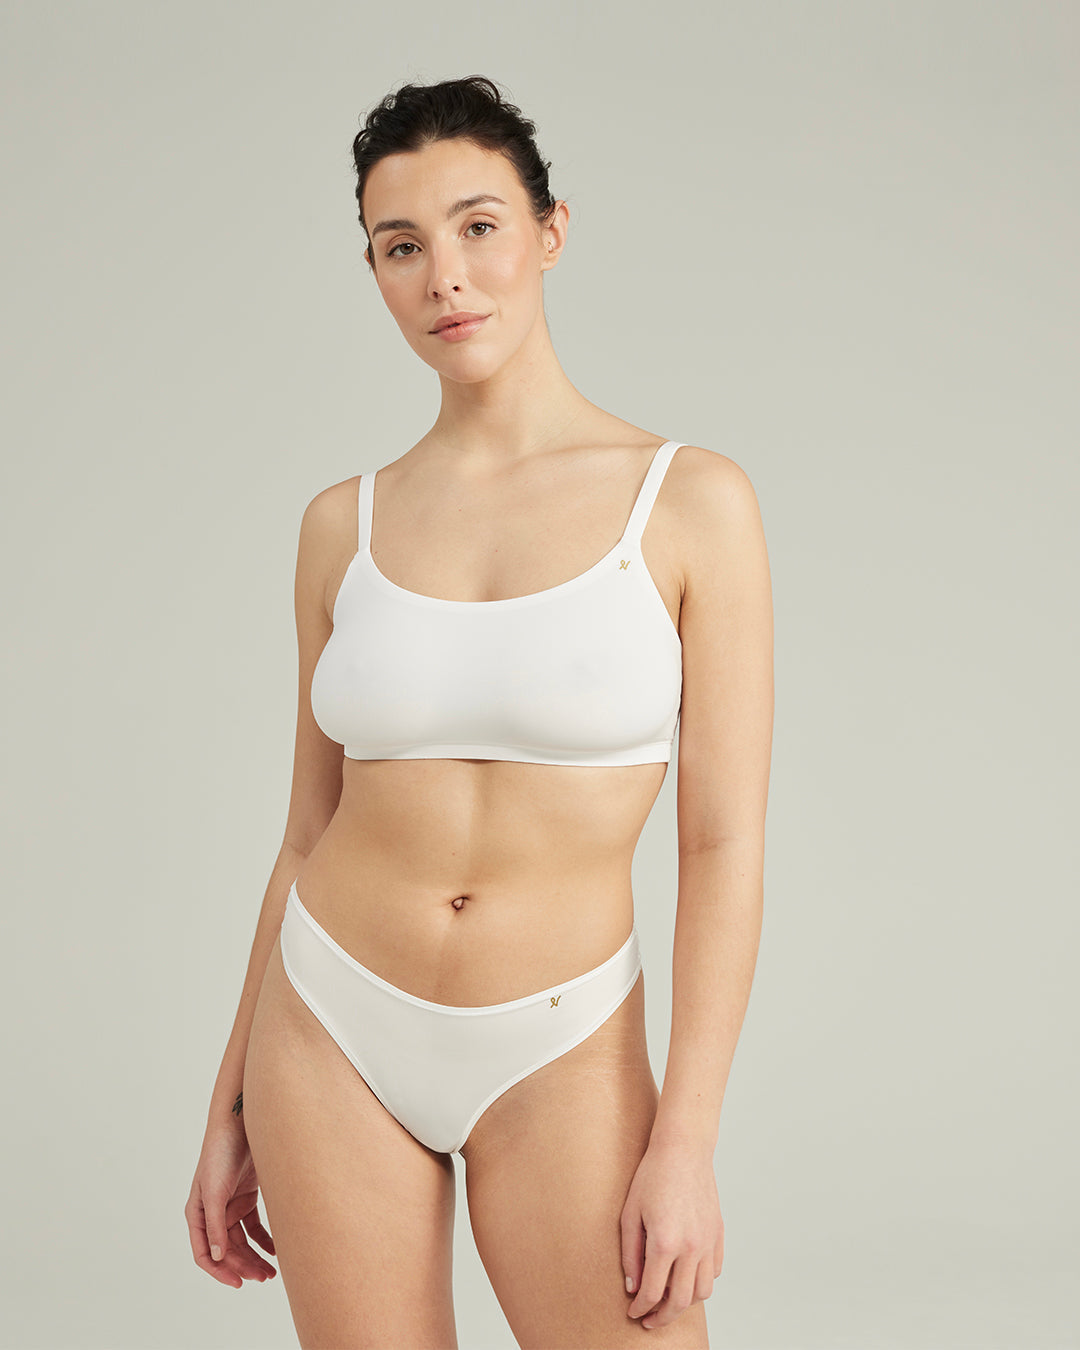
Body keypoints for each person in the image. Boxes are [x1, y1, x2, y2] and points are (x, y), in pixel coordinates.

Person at [185, 73, 773, 1349]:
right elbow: (306, 830)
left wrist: (687, 1142)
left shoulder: (689, 503)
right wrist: (229, 1103)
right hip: (327, 1024)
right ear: (374, 271)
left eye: (479, 227)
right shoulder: (342, 524)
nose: (445, 276)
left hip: (560, 1040)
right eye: (401, 246)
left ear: (551, 231)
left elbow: (722, 842)